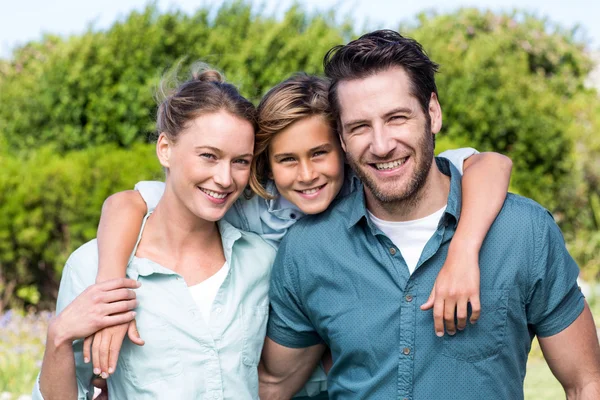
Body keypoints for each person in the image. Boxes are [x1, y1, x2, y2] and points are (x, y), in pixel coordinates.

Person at [88, 73, 512, 398]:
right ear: (266, 165)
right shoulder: (246, 203)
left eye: (320, 154)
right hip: (282, 373)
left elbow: (491, 164)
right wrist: (109, 288)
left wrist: (463, 250)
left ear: (344, 146)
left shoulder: (366, 183)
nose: (307, 175)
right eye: (287, 160)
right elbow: (127, 203)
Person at [259, 30, 600, 399]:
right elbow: (274, 384)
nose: (381, 144)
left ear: (432, 113)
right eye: (359, 127)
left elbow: (586, 382)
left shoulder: (523, 231)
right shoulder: (308, 249)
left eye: (397, 118)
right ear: (342, 139)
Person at [33, 65, 277, 399]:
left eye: (241, 161)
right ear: (165, 149)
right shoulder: (92, 267)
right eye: (209, 156)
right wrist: (58, 337)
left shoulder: (261, 261)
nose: (225, 178)